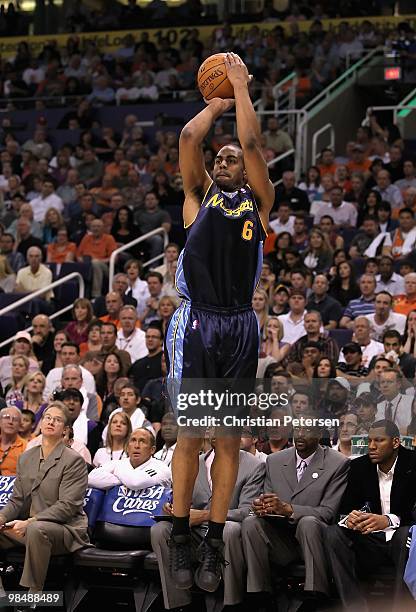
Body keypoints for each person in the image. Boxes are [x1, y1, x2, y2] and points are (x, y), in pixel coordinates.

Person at [165, 53, 275, 593]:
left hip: (239, 325)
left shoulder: (261, 202)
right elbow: (189, 137)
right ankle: (180, 531)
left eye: (234, 158)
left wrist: (242, 92)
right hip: (198, 323)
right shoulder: (196, 196)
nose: (229, 159)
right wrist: (216, 102)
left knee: (228, 440)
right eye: (222, 158)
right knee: (190, 435)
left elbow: (253, 145)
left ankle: (212, 539)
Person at [242, 421, 349, 607]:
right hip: (282, 540)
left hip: (317, 538)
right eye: (297, 429)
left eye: (307, 429)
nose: (300, 434)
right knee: (251, 522)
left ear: (320, 433)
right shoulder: (274, 460)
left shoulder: (338, 463)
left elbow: (329, 513)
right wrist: (263, 507)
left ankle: (316, 592)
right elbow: (268, 498)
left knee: (308, 522)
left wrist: (289, 509)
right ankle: (259, 593)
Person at [151, 439, 265, 609]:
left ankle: (232, 604)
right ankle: (179, 604)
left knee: (230, 529)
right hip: (195, 532)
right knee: (160, 530)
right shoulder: (191, 460)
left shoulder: (254, 465)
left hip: (228, 531)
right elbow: (182, 501)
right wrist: (174, 509)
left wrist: (204, 516)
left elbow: (248, 511)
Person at [324, 420, 416, 611]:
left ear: (396, 442)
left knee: (405, 535)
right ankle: (355, 607)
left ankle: (402, 608)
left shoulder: (413, 463)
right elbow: (345, 508)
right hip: (369, 540)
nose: (372, 446)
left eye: (379, 440)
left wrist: (388, 520)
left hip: (402, 538)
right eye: (369, 441)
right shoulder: (359, 466)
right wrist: (350, 519)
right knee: (333, 534)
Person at [0, 402, 90, 596]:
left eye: (57, 420)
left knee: (36, 529)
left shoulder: (73, 460)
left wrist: (29, 521)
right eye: (47, 418)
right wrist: (1, 518)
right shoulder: (26, 458)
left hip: (66, 530)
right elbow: (17, 500)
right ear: (41, 423)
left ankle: (33, 594)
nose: (51, 422)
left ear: (65, 430)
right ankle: (1, 595)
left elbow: (67, 506)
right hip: (29, 528)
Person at [88, 427, 171, 490]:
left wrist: (116, 472)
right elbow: (90, 478)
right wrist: (123, 481)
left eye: (142, 441)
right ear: (127, 447)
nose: (137, 446)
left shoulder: (161, 468)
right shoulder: (117, 463)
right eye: (133, 440)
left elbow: (135, 482)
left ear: (152, 450)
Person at [375, 369, 412, 434]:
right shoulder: (378, 407)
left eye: (389, 382)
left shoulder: (410, 402)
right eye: (382, 382)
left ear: (399, 384)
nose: (385, 385)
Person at [128, 324, 163, 393]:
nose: (150, 339)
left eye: (154, 337)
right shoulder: (138, 364)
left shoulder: (165, 361)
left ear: (161, 341)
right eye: (147, 337)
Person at [0, 406, 27, 476]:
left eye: (15, 419)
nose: (10, 422)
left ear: (20, 425)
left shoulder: (26, 447)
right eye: (7, 417)